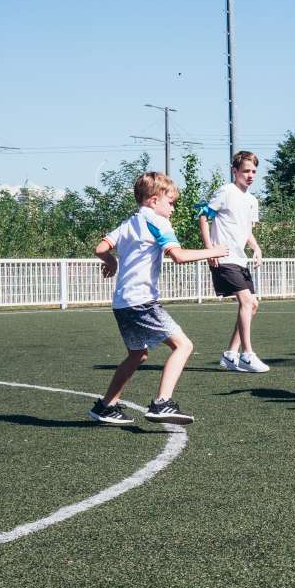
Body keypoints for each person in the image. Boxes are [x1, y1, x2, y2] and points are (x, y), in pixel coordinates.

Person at [88, 172, 228, 426]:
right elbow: (179, 256)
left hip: (122, 303)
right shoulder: (158, 222)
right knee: (183, 346)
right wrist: (214, 251)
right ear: (154, 200)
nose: (173, 208)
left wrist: (111, 261)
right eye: (171, 202)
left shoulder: (129, 222)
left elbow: (100, 248)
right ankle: (162, 403)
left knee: (137, 355)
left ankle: (106, 406)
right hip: (142, 301)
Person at [198, 150, 269, 373]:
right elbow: (203, 216)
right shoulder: (226, 191)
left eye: (254, 171)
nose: (250, 175)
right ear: (235, 171)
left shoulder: (252, 201)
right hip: (224, 257)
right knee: (247, 302)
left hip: (241, 259)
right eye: (246, 171)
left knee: (253, 305)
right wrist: (210, 250)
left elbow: (246, 230)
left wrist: (256, 247)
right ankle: (247, 355)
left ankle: (230, 354)